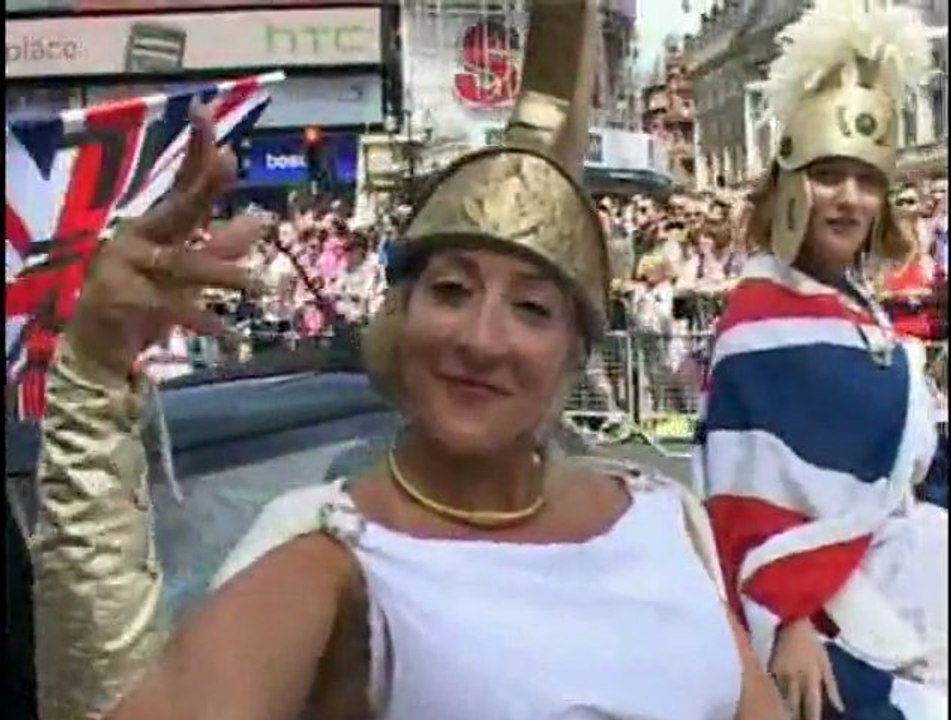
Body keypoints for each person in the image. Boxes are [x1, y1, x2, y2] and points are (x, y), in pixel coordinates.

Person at [29, 3, 786, 719]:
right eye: (451, 290)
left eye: (531, 309)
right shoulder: (335, 556)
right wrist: (94, 371)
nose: (481, 339)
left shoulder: (663, 517)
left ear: (573, 352)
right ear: (400, 317)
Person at [692, 3, 948, 719]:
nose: (848, 198)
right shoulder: (759, 314)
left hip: (902, 580)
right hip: (826, 621)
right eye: (828, 175)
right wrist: (788, 616)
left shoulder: (854, 302)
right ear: (788, 186)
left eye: (865, 181)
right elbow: (743, 494)